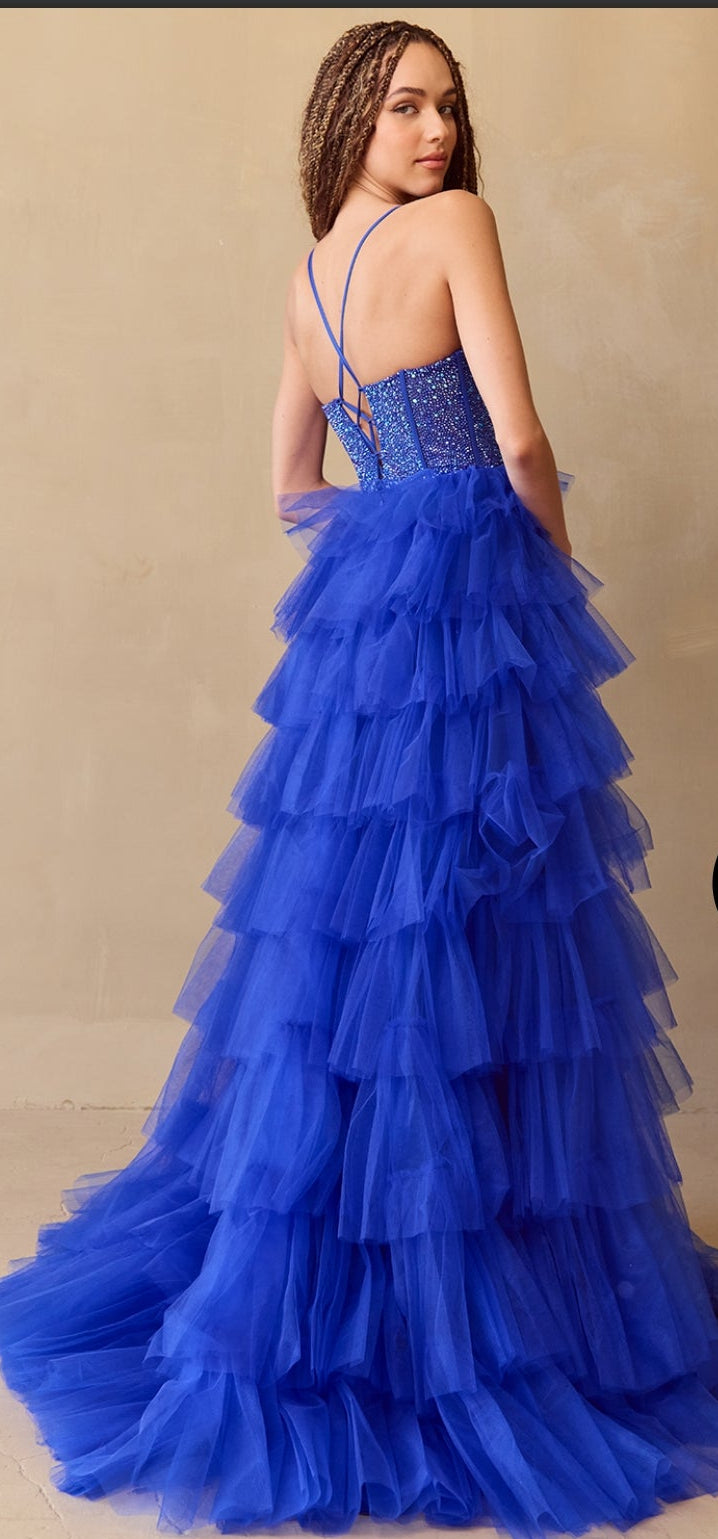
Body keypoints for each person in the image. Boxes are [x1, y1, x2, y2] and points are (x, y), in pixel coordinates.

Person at [0, 17, 717, 1539]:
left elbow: (289, 488)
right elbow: (521, 437)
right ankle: (475, 1285)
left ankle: (376, 1257)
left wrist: (385, 533)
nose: (436, 131)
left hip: (369, 620)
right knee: (488, 921)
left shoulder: (309, 274)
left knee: (371, 932)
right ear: (349, 113)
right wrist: (545, 571)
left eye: (447, 106)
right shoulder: (456, 229)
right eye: (404, 105)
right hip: (470, 597)